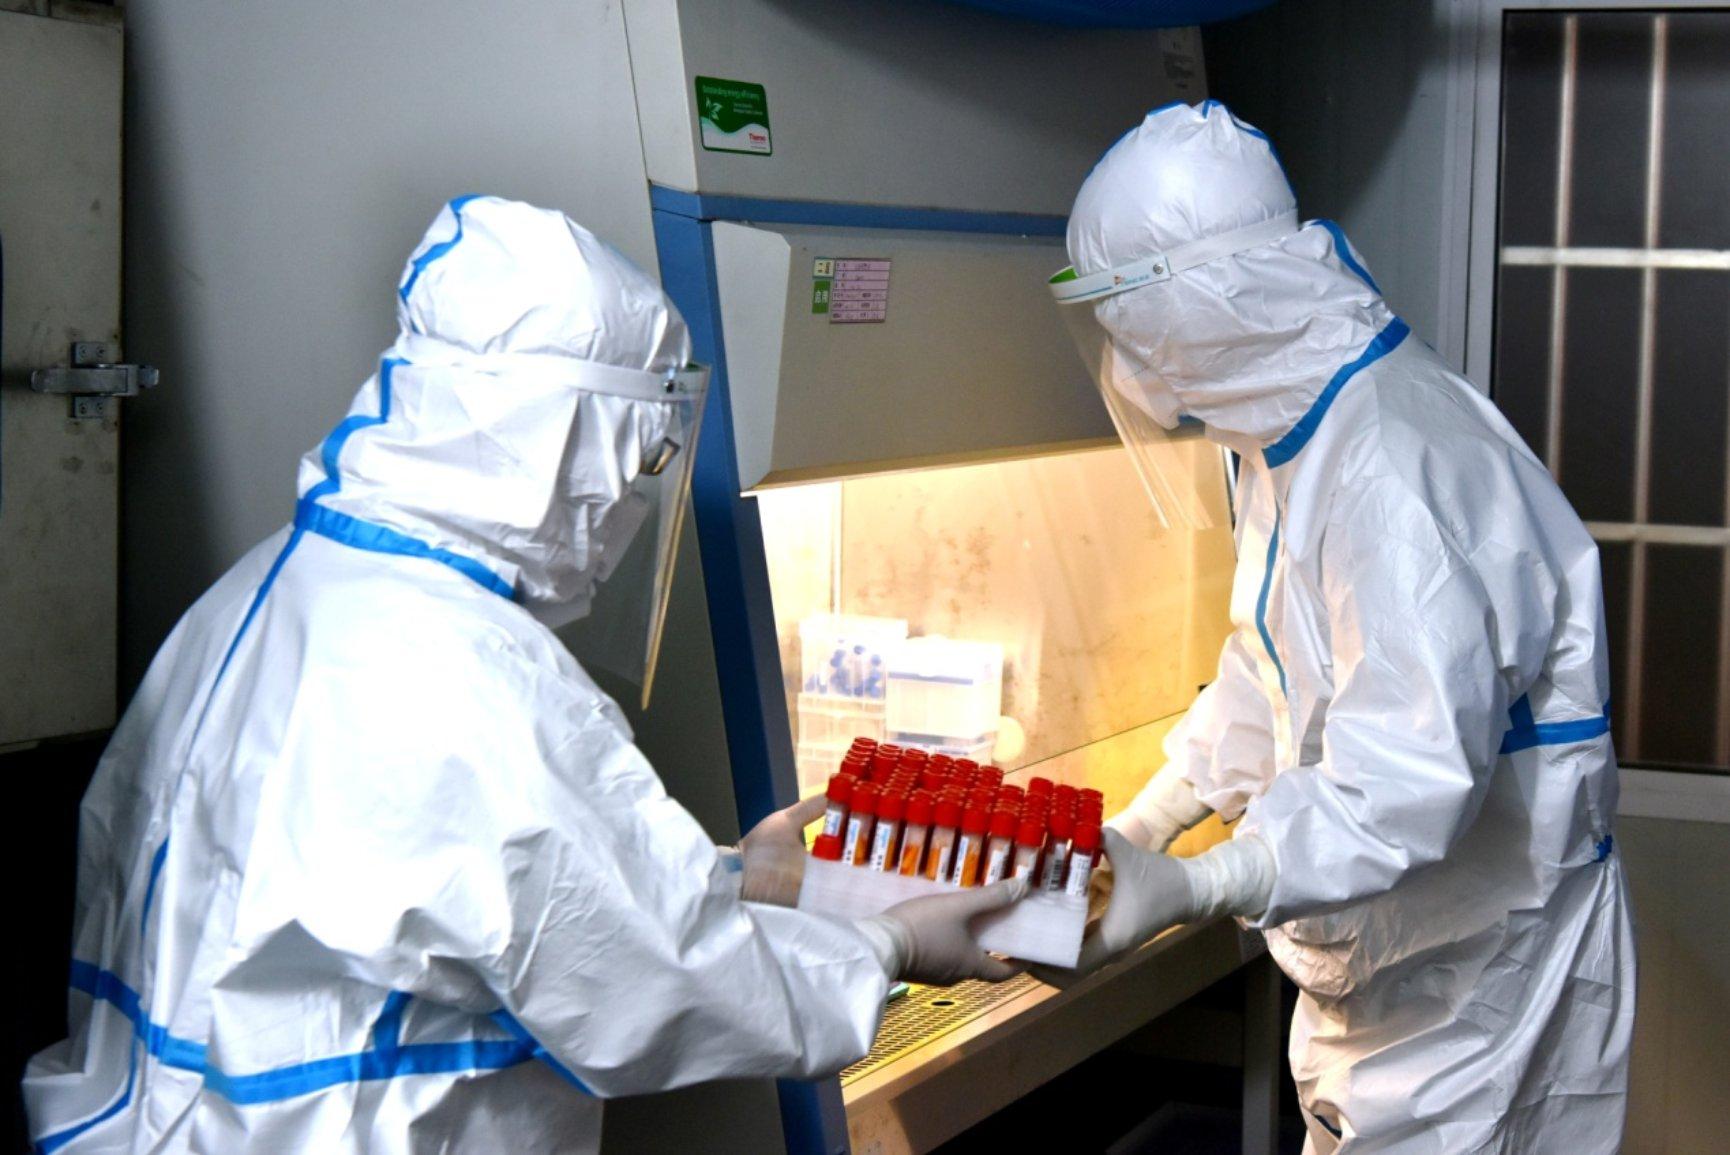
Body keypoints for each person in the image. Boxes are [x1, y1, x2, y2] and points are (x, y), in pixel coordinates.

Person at [24, 196, 1024, 1154]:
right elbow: (652, 983)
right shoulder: (466, 675)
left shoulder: (264, 592)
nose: (625, 504)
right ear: (566, 447)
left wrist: (735, 879)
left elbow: (437, 892)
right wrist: (888, 947)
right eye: (639, 464)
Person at [1043, 102, 1636, 1153]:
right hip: (1397, 978)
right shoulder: (1288, 439)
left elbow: (1405, 775)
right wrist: (1146, 823)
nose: (1123, 365)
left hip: (1480, 999)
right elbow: (1272, 670)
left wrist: (1202, 881)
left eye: (1125, 324)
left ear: (1196, 302)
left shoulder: (1395, 467)